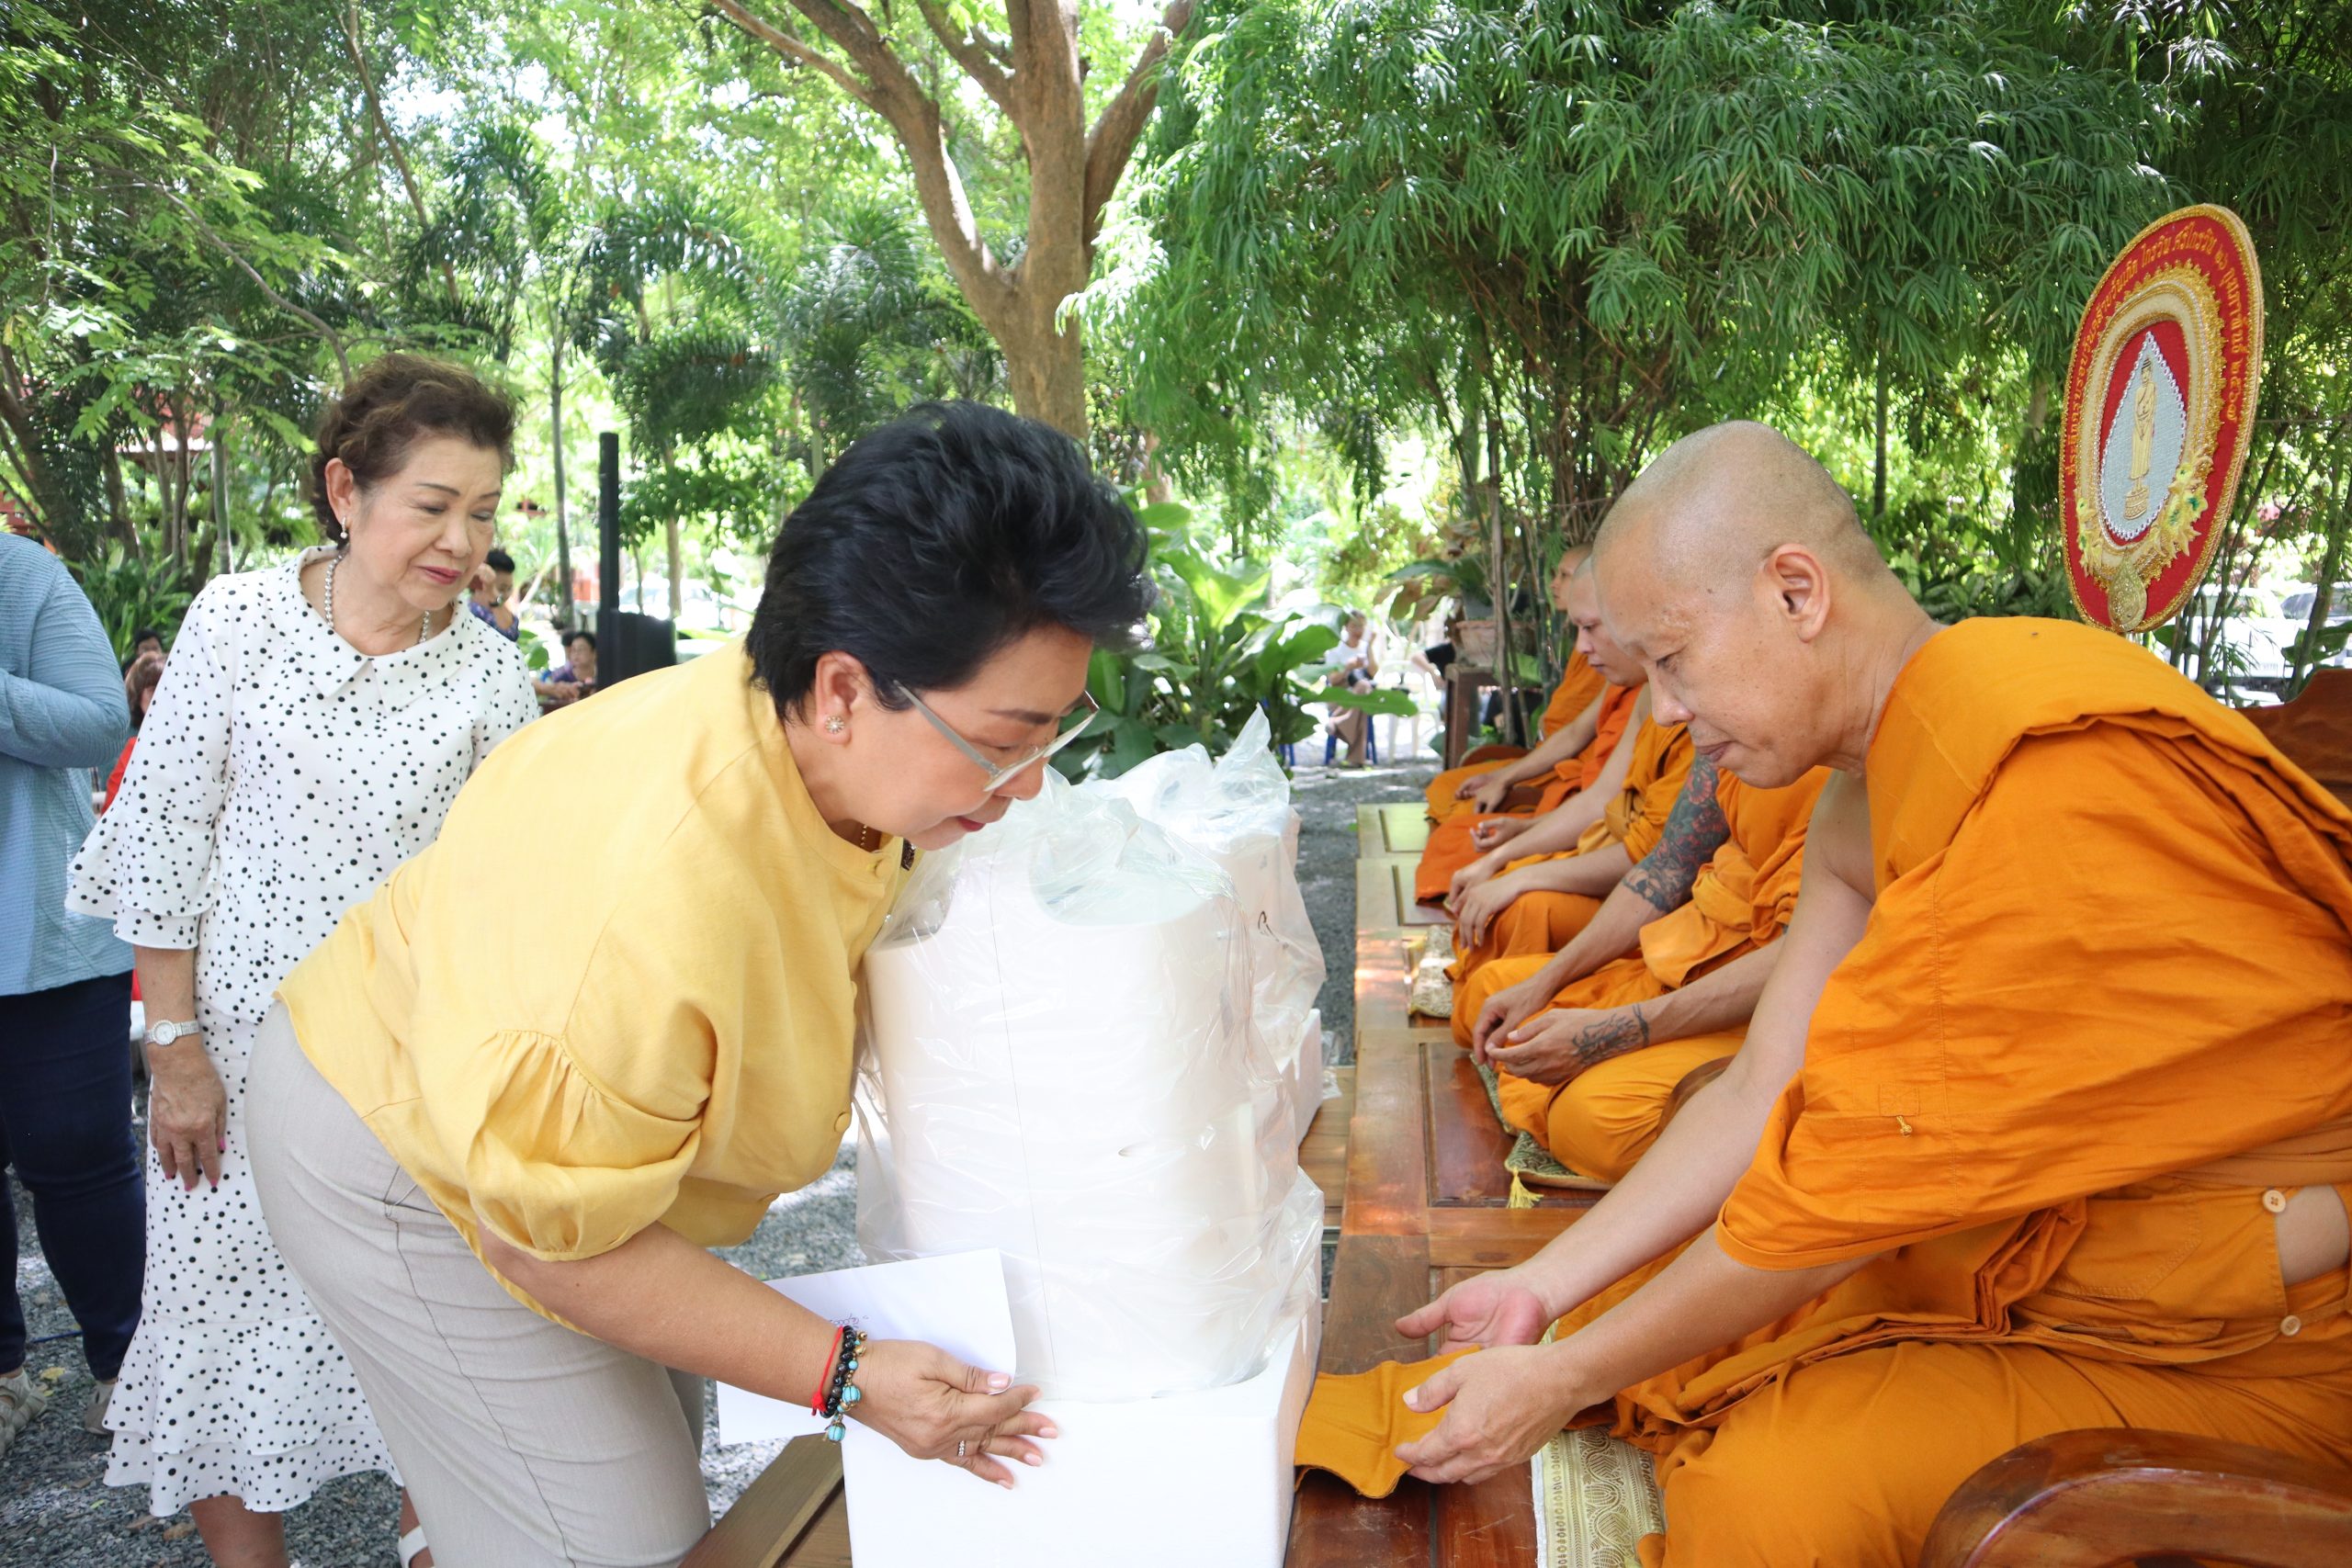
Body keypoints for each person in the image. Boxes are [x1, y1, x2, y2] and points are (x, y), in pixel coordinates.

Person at [1383, 421, 2352, 1567]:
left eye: (1676, 663)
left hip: (2236, 1339)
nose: (1669, 715)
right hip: (2035, 1252)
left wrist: (1561, 1378)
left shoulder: (2041, 776)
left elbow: (1825, 1221)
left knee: (1767, 1495)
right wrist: (1539, 1295)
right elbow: (1761, 1086)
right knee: (1653, 1325)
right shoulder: (1862, 787)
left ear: (1796, 591)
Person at [249, 400, 1156, 1568]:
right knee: (619, 1541)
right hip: (399, 1154)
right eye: (1004, 741)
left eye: (1052, 736)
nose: (1025, 786)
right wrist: (846, 1373)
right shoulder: (649, 891)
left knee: (609, 1481)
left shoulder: (830, 751)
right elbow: (550, 1244)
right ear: (841, 688)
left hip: (557, 1152)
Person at [69, 353, 537, 1568]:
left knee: (431, 1346)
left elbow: (515, 884)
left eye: (481, 511)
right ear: (346, 487)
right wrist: (172, 1051)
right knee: (223, 1328)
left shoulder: (488, 670)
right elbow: (164, 829)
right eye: (431, 503)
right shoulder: (237, 621)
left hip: (407, 1073)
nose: (460, 538)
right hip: (228, 1063)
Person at [1458, 754, 1829, 1181]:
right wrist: (1542, 984)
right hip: (1686, 949)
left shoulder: (1862, 772)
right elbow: (1667, 867)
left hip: (1772, 1007)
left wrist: (1617, 1031)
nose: (1670, 713)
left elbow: (1811, 953)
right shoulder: (1723, 733)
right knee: (1494, 997)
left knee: (1594, 1116)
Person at [0, 532, 141, 1461]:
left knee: (78, 1156)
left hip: (40, 934)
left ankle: (130, 1370)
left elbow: (101, 722)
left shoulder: (22, 575)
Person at [1413, 563, 1641, 905]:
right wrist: (1504, 784)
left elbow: (1659, 850)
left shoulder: (1659, 696)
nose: (1582, 646)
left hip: (1609, 837)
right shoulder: (1629, 682)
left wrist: (1517, 855)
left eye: (1591, 627)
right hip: (1586, 811)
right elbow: (1578, 737)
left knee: (1517, 908)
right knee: (1456, 816)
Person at [1422, 547, 1606, 823]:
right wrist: (1501, 777)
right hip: (1552, 764)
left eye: (1565, 575)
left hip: (1573, 778)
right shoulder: (1589, 650)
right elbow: (1571, 731)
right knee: (1446, 790)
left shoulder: (1616, 660)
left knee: (1462, 816)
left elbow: (1581, 743)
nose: (1553, 583)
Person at [104, 652, 166, 811]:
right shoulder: (134, 748)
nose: (162, 695)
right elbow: (111, 811)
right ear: (139, 698)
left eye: (167, 688)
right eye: (153, 690)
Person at [1324, 611, 1382, 765]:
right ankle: (1356, 759)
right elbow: (1332, 680)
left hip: (1362, 690)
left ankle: (1336, 721)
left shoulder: (1365, 648)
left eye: (1361, 626)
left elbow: (1373, 672)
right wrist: (1348, 667)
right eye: (1354, 626)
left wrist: (1369, 646)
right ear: (1346, 627)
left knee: (1363, 688)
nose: (1358, 630)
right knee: (1362, 700)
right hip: (1339, 693)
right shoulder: (1335, 650)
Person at [535, 626, 596, 710]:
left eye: (581, 649)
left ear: (594, 653)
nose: (576, 654)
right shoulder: (562, 682)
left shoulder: (603, 679)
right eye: (574, 650)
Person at [468, 546, 520, 640]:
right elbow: (509, 635)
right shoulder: (467, 614)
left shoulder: (501, 612)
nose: (506, 595)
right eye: (501, 589)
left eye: (509, 588)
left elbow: (513, 633)